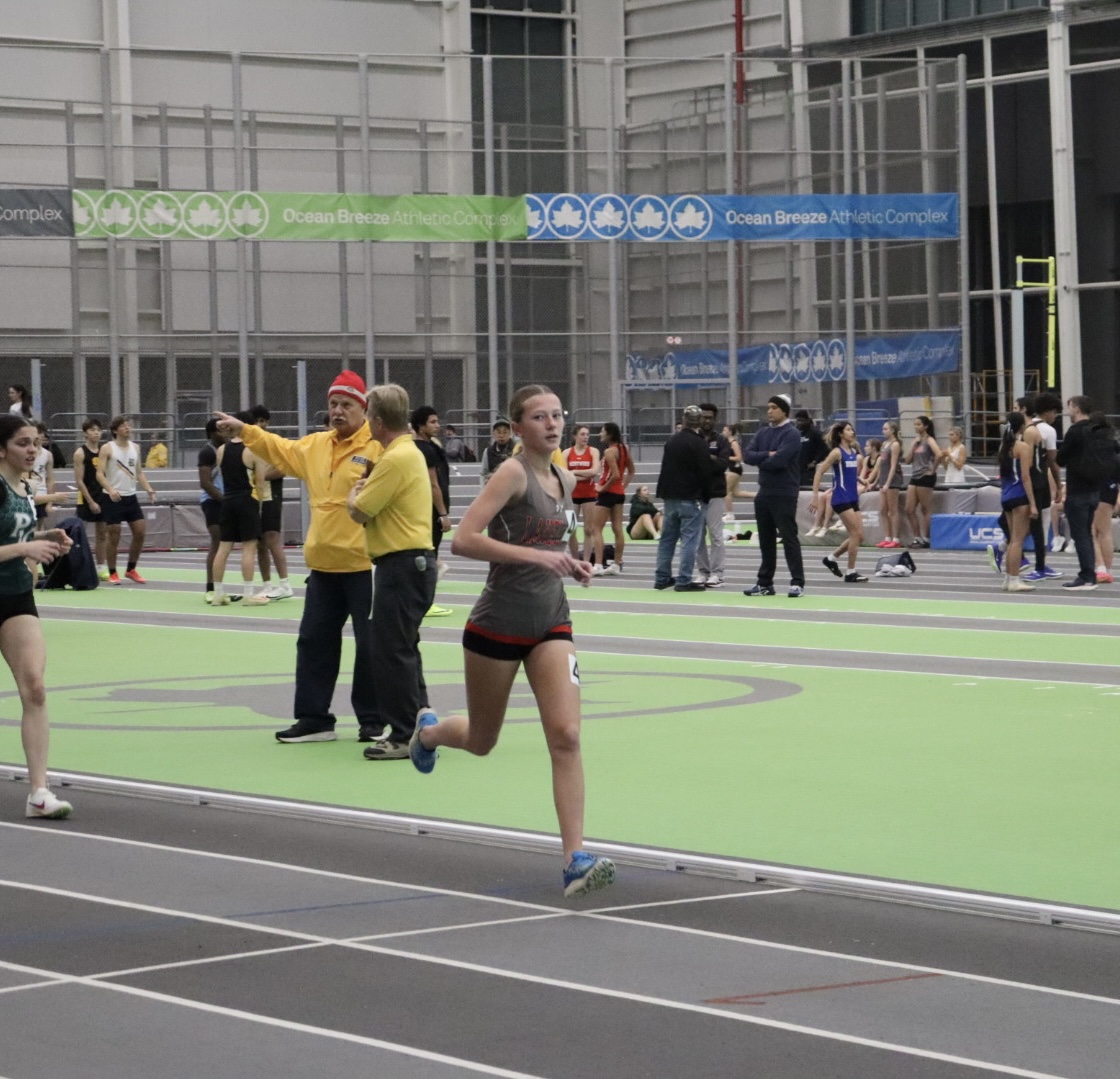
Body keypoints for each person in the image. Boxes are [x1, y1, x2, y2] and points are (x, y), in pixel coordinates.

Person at [405, 384, 614, 898]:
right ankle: (429, 733)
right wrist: (539, 558)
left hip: (551, 625)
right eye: (539, 416)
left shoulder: (565, 479)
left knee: (565, 735)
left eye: (557, 415)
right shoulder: (511, 473)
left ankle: (574, 859)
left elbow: (556, 546)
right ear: (518, 427)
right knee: (482, 741)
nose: (551, 423)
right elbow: (463, 539)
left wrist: (576, 564)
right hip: (497, 624)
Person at [217, 371, 385, 741]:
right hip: (323, 566)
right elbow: (278, 448)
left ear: (364, 408)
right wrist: (244, 429)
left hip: (366, 565)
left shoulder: (379, 447)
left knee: (371, 645)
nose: (338, 411)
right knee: (313, 641)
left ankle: (373, 721)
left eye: (347, 404)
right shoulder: (315, 446)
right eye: (333, 404)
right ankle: (314, 719)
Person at [347, 385, 439, 761]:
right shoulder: (407, 452)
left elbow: (360, 510)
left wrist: (355, 492)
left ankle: (402, 734)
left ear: (378, 421)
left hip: (399, 564)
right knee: (404, 647)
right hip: (412, 562)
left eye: (369, 416)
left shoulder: (395, 457)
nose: (367, 422)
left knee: (390, 651)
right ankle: (421, 721)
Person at [0, 414, 74, 818]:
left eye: (36, 442)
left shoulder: (25, 487)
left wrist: (45, 539)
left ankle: (39, 793)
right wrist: (23, 550)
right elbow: (13, 547)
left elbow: (16, 537)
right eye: (22, 443)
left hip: (15, 599)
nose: (33, 450)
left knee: (36, 688)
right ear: (1, 449)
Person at [742, 394, 804, 598]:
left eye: (774, 407)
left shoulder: (792, 433)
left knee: (788, 538)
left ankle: (797, 582)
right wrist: (767, 455)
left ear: (784, 411)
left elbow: (780, 461)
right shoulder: (763, 433)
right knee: (766, 540)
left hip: (784, 492)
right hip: (765, 493)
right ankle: (765, 582)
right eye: (768, 407)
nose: (769, 411)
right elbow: (747, 455)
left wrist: (765, 458)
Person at [210, 411, 270, 606]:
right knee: (249, 548)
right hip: (247, 500)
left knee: (224, 547)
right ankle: (248, 594)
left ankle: (218, 593)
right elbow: (260, 483)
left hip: (228, 500)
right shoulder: (253, 450)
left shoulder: (221, 450)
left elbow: (223, 474)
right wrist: (259, 507)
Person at [653, 405, 712, 592]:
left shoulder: (672, 441)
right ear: (700, 421)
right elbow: (705, 472)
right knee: (689, 540)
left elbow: (665, 469)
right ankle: (684, 579)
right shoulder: (699, 442)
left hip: (670, 496)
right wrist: (706, 496)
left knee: (667, 539)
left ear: (684, 420)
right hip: (691, 497)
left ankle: (662, 577)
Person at [95, 415, 156, 584]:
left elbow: (139, 473)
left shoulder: (135, 448)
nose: (127, 428)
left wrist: (148, 489)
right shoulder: (107, 448)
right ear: (115, 430)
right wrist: (110, 489)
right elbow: (99, 474)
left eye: (128, 426)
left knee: (140, 532)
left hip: (131, 496)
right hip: (112, 497)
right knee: (114, 535)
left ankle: (131, 569)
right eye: (123, 426)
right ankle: (113, 572)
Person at [410, 404, 453, 616]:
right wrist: (443, 514)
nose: (437, 425)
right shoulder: (424, 449)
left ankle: (421, 600)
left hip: (424, 510)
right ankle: (425, 602)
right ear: (420, 425)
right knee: (430, 554)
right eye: (432, 422)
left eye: (437, 421)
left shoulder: (427, 446)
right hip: (430, 511)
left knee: (427, 555)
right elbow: (433, 483)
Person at [811, 422, 868, 583]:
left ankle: (831, 558)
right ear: (841, 434)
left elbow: (848, 473)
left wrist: (860, 479)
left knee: (860, 536)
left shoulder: (853, 452)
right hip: (841, 498)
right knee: (855, 534)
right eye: (848, 429)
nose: (852, 432)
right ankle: (851, 572)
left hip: (852, 498)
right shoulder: (837, 452)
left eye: (852, 429)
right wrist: (815, 496)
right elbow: (819, 472)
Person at [1056, 395, 1102, 591]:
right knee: (1087, 533)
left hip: (1078, 489)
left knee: (1080, 534)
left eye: (1071, 407)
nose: (1069, 411)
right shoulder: (1098, 430)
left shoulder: (1075, 431)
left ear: (1077, 408)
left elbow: (1061, 459)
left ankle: (1086, 576)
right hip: (1094, 489)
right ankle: (1090, 574)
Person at [250, 405, 293, 601]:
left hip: (271, 497)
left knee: (272, 538)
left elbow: (282, 469)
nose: (261, 424)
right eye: (258, 420)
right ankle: (267, 584)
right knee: (259, 543)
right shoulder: (249, 443)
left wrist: (261, 477)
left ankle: (284, 583)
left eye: (264, 420)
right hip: (255, 498)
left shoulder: (273, 443)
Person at [1019, 394, 1063, 583]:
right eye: (1055, 413)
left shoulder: (1025, 427)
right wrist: (1059, 485)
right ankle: (1038, 566)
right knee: (1039, 525)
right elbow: (1052, 462)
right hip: (1038, 480)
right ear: (1048, 411)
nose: (1056, 417)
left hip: (1021, 479)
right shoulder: (1048, 431)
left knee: (1024, 522)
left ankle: (1032, 561)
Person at [996, 412, 1038, 593]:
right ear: (1022, 427)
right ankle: (1014, 580)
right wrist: (1033, 503)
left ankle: (1008, 578)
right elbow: (1026, 477)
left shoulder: (1003, 448)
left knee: (1013, 539)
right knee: (1017, 541)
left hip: (1006, 496)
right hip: (1019, 495)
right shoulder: (1022, 447)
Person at [585, 421, 634, 576]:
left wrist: (602, 489)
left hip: (607, 493)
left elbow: (615, 475)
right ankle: (616, 564)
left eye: (602, 431)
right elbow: (631, 471)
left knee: (596, 528)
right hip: (618, 493)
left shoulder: (609, 452)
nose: (600, 434)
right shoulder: (624, 448)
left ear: (610, 434)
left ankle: (598, 564)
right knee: (617, 528)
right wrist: (622, 488)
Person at [694, 403, 730, 587]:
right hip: (697, 493)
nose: (706, 420)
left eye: (710, 417)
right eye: (703, 417)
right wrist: (711, 459)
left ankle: (717, 573)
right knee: (698, 534)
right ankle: (703, 571)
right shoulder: (694, 438)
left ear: (715, 419)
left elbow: (723, 465)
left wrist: (706, 459)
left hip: (715, 492)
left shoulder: (722, 440)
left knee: (715, 534)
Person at [73, 418, 109, 580]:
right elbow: (79, 480)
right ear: (85, 433)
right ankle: (77, 565)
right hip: (86, 497)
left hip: (103, 496)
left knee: (102, 534)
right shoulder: (80, 453)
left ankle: (101, 567)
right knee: (79, 533)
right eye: (92, 430)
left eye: (98, 430)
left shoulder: (105, 451)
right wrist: (90, 501)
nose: (96, 433)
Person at [1088, 410, 1118, 585]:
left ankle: (1100, 568)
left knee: (1090, 530)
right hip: (1111, 488)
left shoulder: (1091, 444)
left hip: (1095, 487)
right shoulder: (1112, 443)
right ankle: (1107, 568)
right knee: (1105, 531)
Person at [197, 418, 226, 603]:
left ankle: (220, 587)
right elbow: (205, 483)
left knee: (225, 545)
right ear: (211, 433)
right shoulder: (207, 452)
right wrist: (224, 500)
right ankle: (210, 587)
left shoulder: (230, 448)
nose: (223, 432)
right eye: (219, 430)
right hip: (212, 501)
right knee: (217, 541)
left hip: (227, 501)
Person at [563, 423, 600, 560]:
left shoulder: (593, 451)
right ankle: (574, 560)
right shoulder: (566, 452)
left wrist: (575, 472)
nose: (585, 437)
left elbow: (594, 471)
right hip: (572, 496)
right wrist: (583, 475)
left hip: (589, 495)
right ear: (575, 436)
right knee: (570, 529)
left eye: (587, 434)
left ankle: (585, 560)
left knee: (588, 529)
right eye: (582, 434)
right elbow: (565, 474)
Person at [903, 415, 941, 548]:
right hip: (915, 475)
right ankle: (917, 537)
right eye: (915, 424)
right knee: (909, 509)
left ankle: (926, 538)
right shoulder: (916, 441)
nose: (916, 427)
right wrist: (913, 445)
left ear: (925, 426)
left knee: (925, 508)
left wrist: (933, 469)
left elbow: (939, 454)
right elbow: (907, 460)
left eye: (919, 424)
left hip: (926, 476)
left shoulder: (929, 440)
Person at [795, 410, 830, 537]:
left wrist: (815, 461)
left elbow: (825, 449)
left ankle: (811, 523)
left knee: (807, 496)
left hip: (808, 471)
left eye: (802, 420)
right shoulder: (796, 431)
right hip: (795, 469)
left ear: (808, 420)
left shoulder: (815, 433)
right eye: (798, 420)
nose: (799, 423)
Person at [875, 420, 904, 549]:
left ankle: (896, 538)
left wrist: (887, 483)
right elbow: (881, 465)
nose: (883, 431)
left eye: (886, 429)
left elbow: (893, 465)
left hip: (892, 480)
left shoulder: (895, 444)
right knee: (882, 510)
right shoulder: (884, 444)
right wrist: (877, 481)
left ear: (892, 430)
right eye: (883, 429)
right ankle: (887, 537)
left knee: (893, 510)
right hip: (883, 479)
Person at [723, 423, 744, 521]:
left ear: (730, 432)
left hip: (735, 469)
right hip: (732, 469)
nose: (723, 432)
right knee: (736, 492)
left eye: (725, 430)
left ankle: (730, 514)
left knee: (726, 491)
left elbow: (739, 457)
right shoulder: (727, 443)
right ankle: (758, 495)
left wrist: (726, 457)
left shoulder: (734, 443)